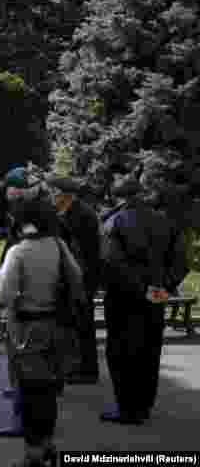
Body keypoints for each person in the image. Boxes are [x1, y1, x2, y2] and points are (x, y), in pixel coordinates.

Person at [0, 198, 84, 466]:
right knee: (48, 390)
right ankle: (47, 442)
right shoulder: (59, 245)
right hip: (57, 325)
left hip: (27, 329)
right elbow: (77, 278)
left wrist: (2, 297)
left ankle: (33, 452)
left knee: (31, 390)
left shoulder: (19, 252)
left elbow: (6, 293)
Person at [99, 177, 181, 425]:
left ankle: (127, 407)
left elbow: (112, 263)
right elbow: (180, 261)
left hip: (124, 298)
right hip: (156, 295)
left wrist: (139, 288)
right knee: (150, 351)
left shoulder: (115, 221)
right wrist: (163, 286)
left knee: (121, 352)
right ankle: (144, 406)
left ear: (118, 197)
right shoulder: (164, 220)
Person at [0, 166, 59, 438]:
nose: (7, 196)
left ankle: (27, 429)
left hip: (25, 313)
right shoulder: (53, 234)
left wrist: (1, 299)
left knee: (24, 373)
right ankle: (44, 435)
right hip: (51, 314)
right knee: (43, 380)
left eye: (10, 190)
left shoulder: (24, 239)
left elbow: (7, 289)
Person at [47, 175, 102, 384]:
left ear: (64, 195)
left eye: (54, 192)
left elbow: (80, 252)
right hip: (80, 275)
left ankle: (86, 370)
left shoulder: (79, 215)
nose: (51, 197)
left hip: (82, 277)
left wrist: (77, 280)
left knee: (82, 324)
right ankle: (78, 367)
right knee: (76, 322)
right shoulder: (73, 212)